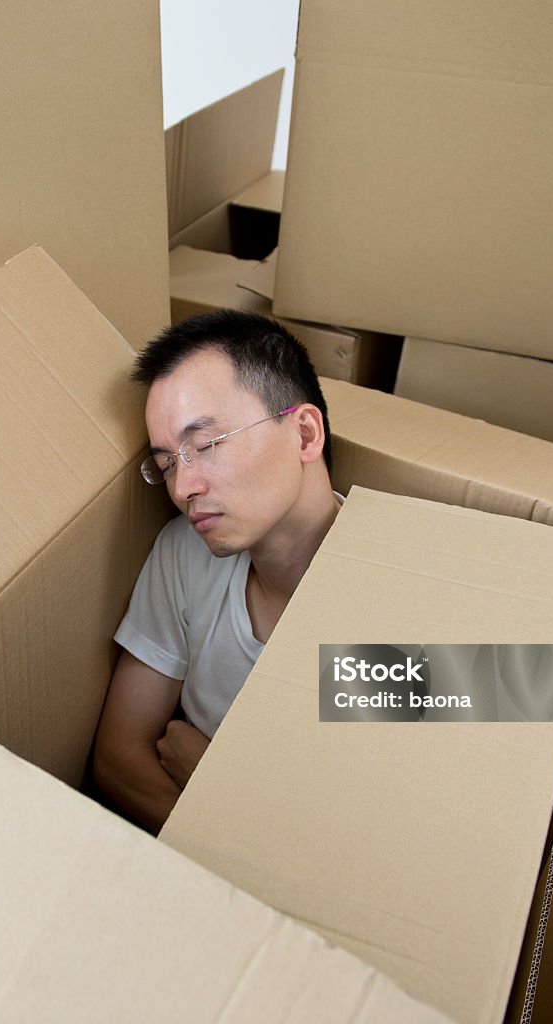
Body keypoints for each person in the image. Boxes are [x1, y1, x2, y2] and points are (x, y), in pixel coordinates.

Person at [92, 310, 342, 834]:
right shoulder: (184, 554)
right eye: (166, 465)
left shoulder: (402, 588)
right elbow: (119, 758)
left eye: (205, 446)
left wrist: (218, 778)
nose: (182, 489)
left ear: (303, 433)